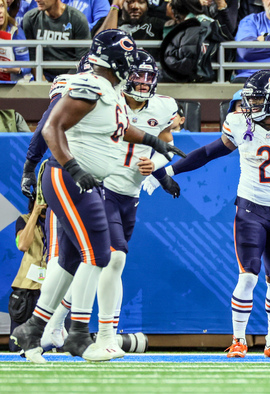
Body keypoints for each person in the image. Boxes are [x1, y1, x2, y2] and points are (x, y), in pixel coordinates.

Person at [10, 29, 184, 364]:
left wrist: (155, 143)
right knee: (100, 254)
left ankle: (33, 330)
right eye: (127, 59)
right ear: (111, 59)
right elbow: (50, 127)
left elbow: (118, 128)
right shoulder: (88, 83)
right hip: (70, 179)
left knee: (75, 259)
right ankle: (78, 335)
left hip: (89, 182)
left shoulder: (111, 89)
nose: (133, 68)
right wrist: (69, 167)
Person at [151, 70, 270, 358]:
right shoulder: (239, 122)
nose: (250, 105)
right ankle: (238, 340)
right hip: (251, 210)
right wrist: (168, 170)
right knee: (248, 275)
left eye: (258, 99)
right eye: (250, 99)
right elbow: (208, 152)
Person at [8, 196, 47, 352]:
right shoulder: (23, 220)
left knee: (61, 344)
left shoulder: (58, 222)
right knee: (16, 346)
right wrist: (35, 215)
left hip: (52, 285)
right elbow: (23, 245)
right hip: (27, 287)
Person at [22, 0, 90, 81]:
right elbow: (32, 56)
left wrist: (63, 84)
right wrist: (42, 83)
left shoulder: (77, 19)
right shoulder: (30, 19)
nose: (36, 0)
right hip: (43, 77)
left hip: (71, 78)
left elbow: (82, 59)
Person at [93, 0, 164, 59]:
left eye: (141, 2)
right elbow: (99, 44)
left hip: (146, 72)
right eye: (130, 1)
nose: (135, 6)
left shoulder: (156, 24)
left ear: (147, 6)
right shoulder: (107, 21)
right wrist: (115, 6)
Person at [0, 0, 31, 81]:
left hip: (13, 86)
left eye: (1, 6)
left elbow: (26, 66)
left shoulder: (15, 31)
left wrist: (18, 69)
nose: (0, 11)